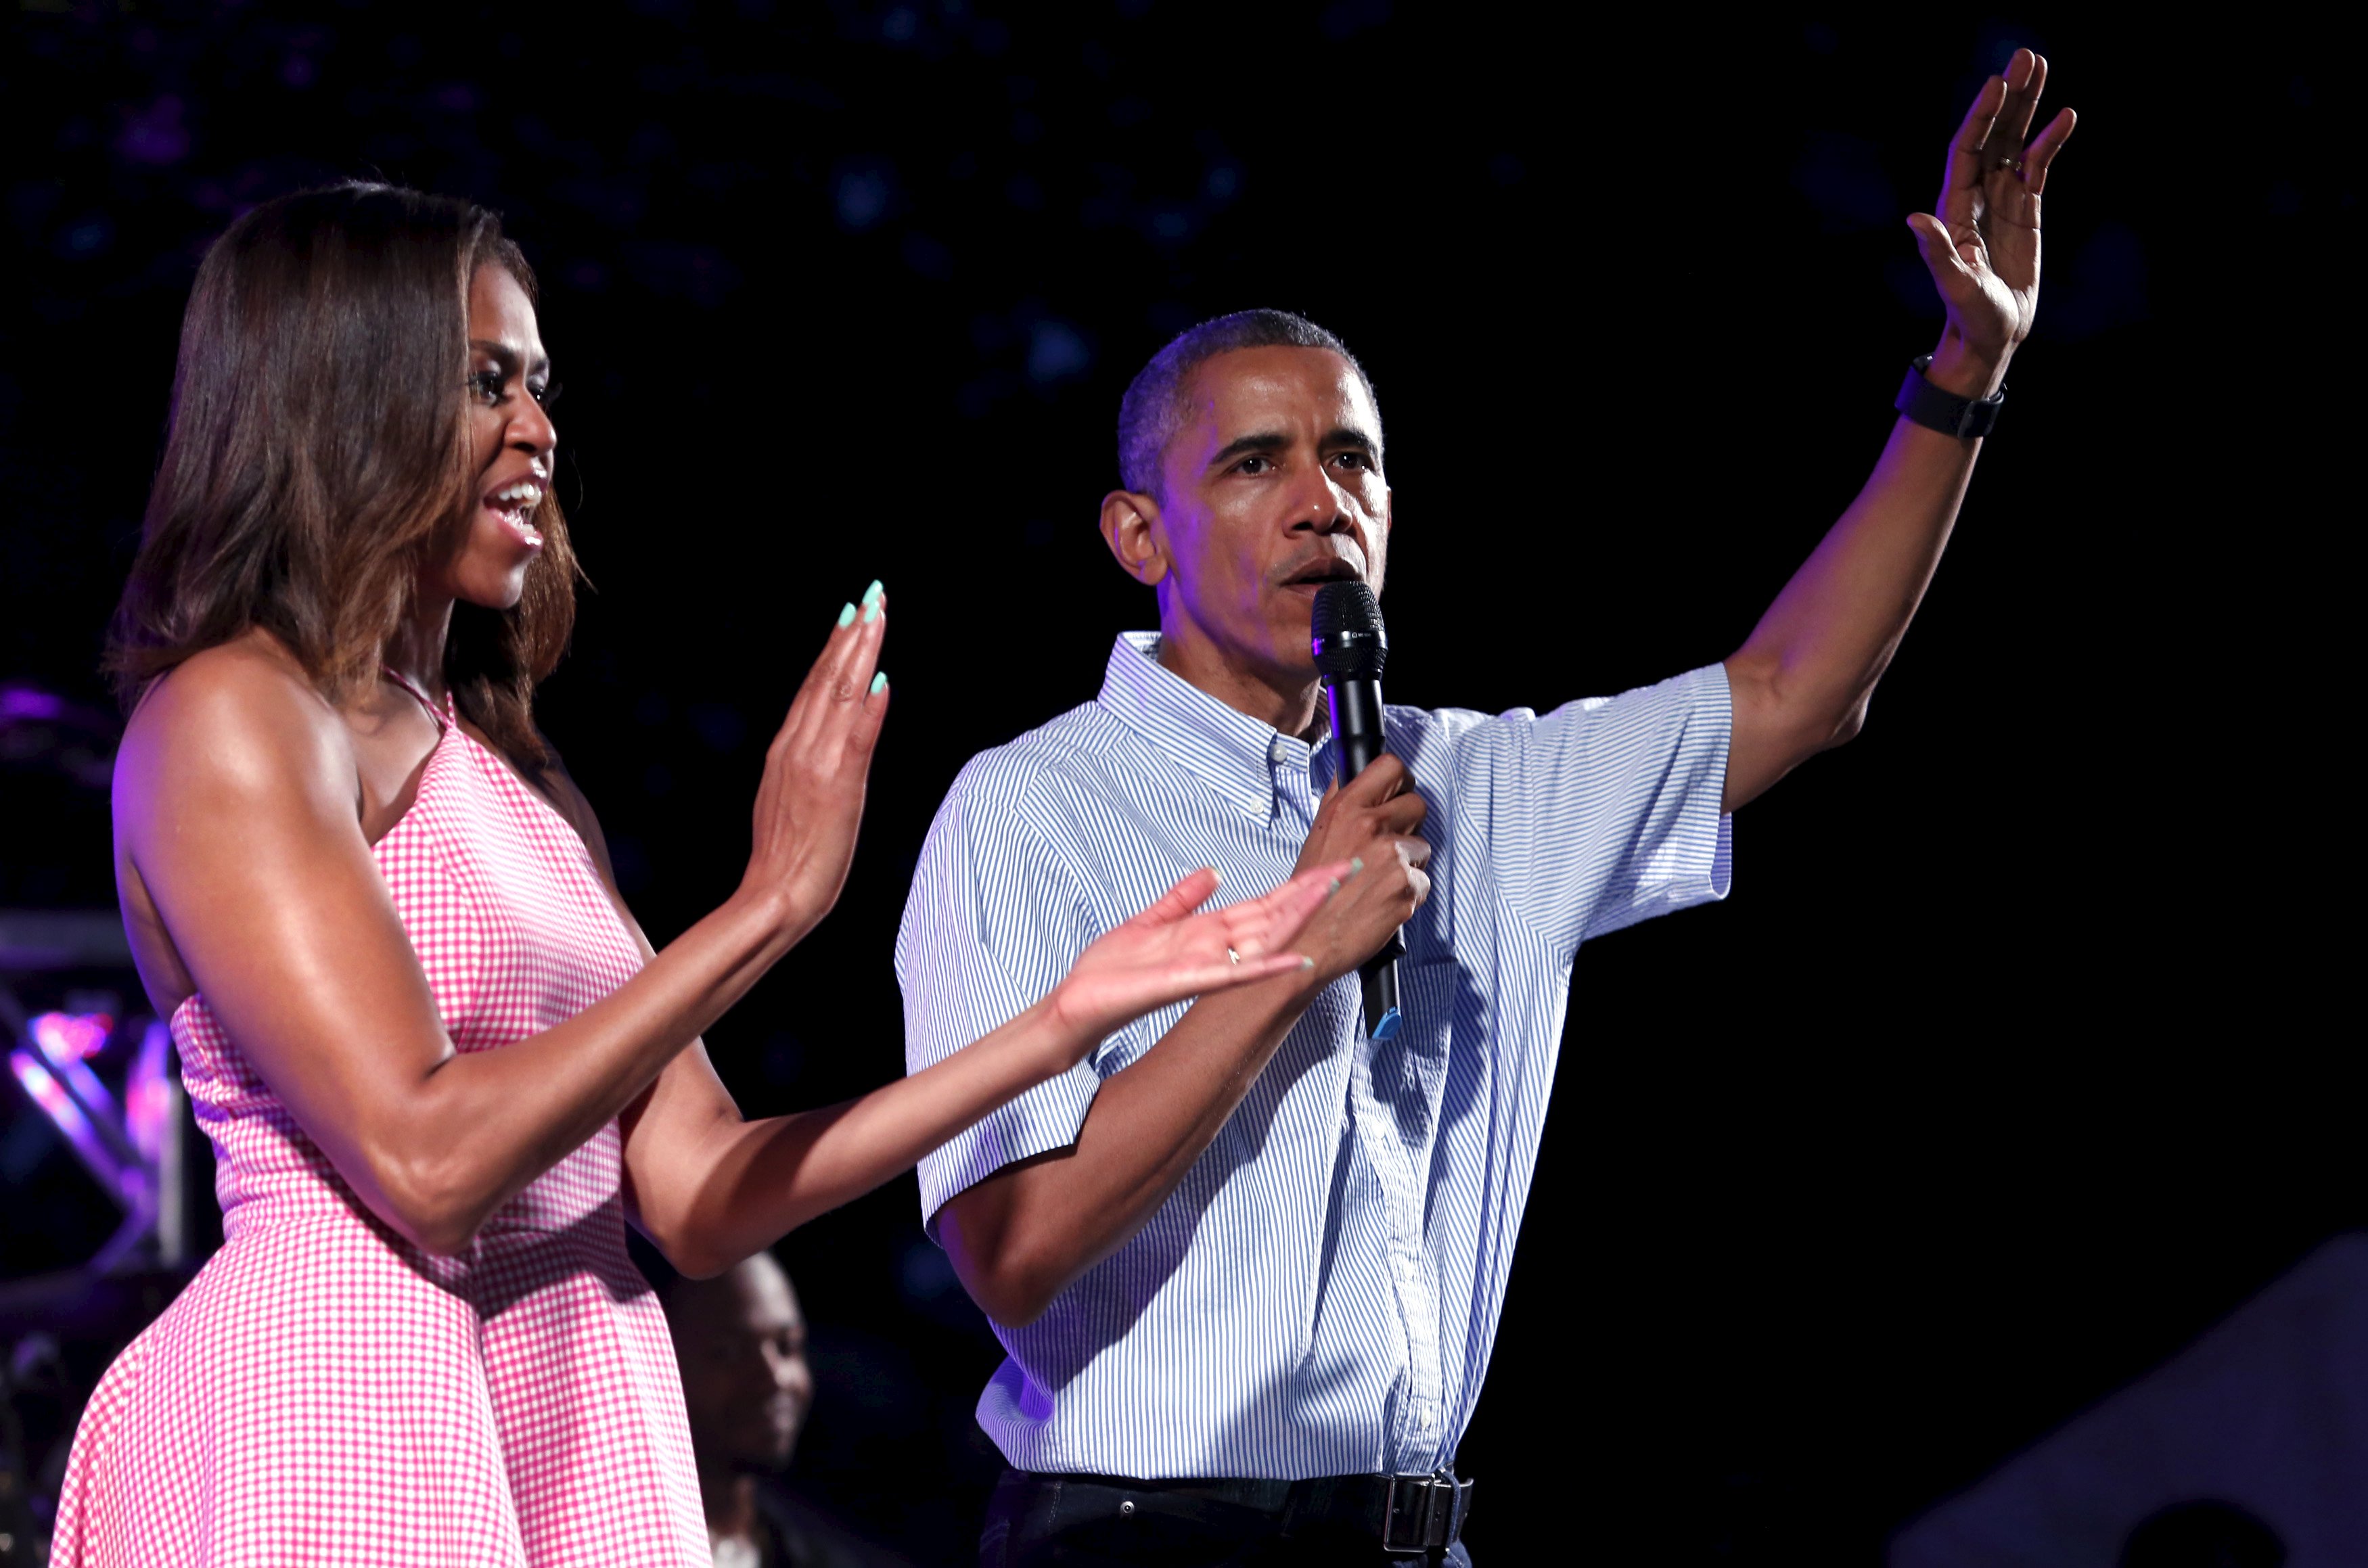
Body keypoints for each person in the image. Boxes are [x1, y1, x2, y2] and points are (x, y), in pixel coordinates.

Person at [49, 182, 1349, 1568]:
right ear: (348, 394)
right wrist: (765, 908)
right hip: (333, 1403)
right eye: (488, 382)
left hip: (571, 1392)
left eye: (540, 385)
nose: (540, 431)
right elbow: (426, 1163)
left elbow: (700, 1194)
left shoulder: (526, 784)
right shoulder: (231, 715)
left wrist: (1052, 1029)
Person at [899, 53, 2077, 1567]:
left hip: (1411, 1539)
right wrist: (1292, 955)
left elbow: (1797, 690)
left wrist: (1963, 376)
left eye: (1353, 459)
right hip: (1137, 1532)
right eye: (1253, 463)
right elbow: (1010, 1253)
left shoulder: (1481, 784)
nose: (1319, 497)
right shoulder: (1028, 807)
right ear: (1142, 532)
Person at [665, 1252, 913, 1568]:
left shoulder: (821, 1556)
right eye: (727, 1353)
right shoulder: (608, 1539)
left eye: (787, 1346)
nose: (775, 1378)